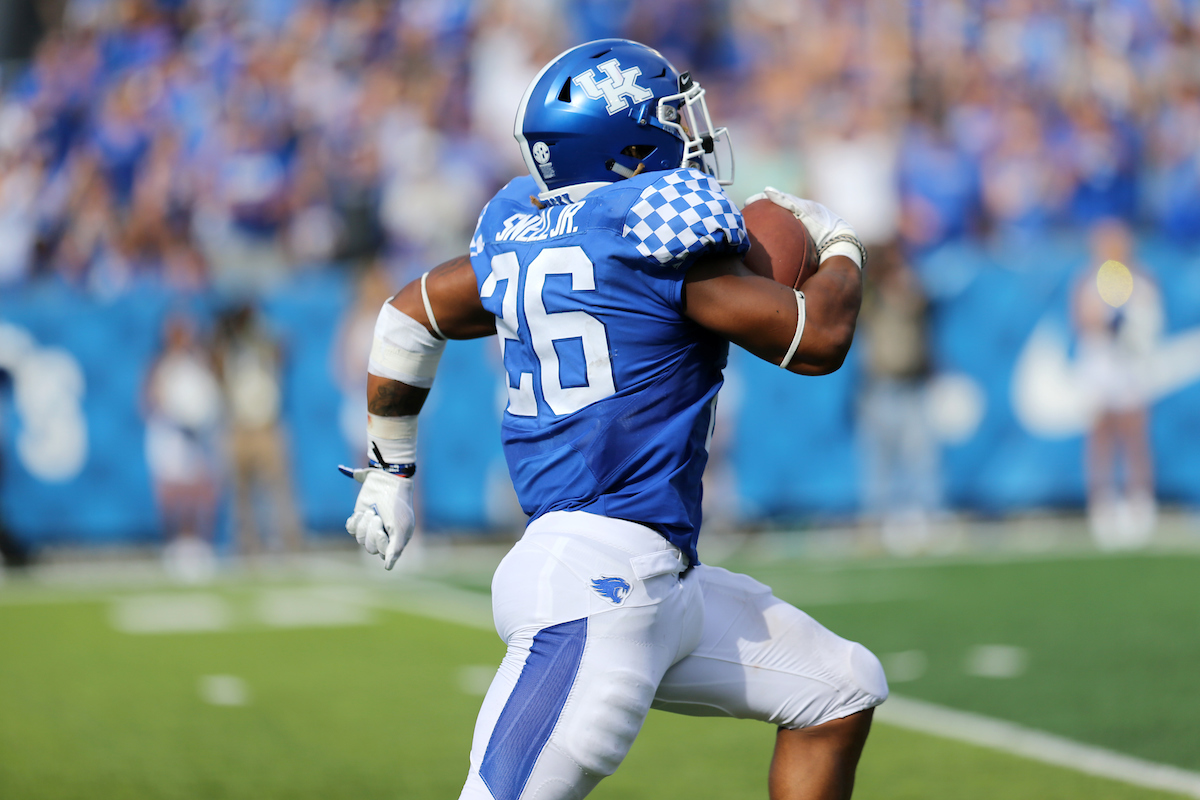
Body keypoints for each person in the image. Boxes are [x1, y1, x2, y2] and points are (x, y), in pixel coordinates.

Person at [342, 39, 886, 800]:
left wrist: (388, 470)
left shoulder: (524, 230)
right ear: (628, 147)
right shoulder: (654, 234)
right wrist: (841, 244)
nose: (692, 137)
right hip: (598, 584)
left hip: (650, 575)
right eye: (671, 120)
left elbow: (408, 315)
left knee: (840, 686)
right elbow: (818, 339)